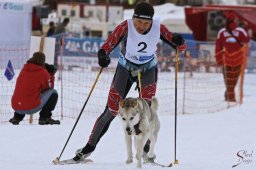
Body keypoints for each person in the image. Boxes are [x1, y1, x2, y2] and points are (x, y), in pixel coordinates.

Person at [72, 2, 186, 162]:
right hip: (125, 69)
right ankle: (88, 148)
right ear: (133, 18)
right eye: (139, 22)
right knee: (111, 111)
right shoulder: (125, 26)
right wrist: (102, 56)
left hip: (148, 69)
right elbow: (105, 47)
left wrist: (179, 41)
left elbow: (180, 47)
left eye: (146, 23)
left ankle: (145, 152)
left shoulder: (158, 28)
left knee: (145, 112)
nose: (142, 26)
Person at [9, 52, 60, 125]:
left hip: (16, 106)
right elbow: (49, 88)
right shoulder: (43, 73)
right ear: (43, 61)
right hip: (30, 108)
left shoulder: (24, 69)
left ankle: (17, 117)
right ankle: (45, 117)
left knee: (23, 93)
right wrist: (51, 74)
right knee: (53, 92)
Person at [215, 13, 249, 102]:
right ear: (235, 21)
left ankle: (229, 97)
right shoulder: (241, 31)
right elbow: (247, 40)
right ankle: (230, 98)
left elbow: (218, 47)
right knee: (233, 80)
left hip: (226, 60)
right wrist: (246, 27)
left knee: (228, 80)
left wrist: (218, 60)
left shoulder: (221, 32)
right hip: (238, 60)